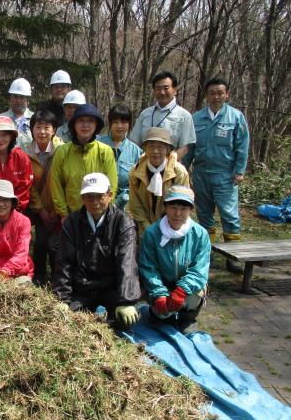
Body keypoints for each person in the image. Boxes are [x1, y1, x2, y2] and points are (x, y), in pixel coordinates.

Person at [53, 173, 141, 330]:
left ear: (110, 195)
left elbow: (127, 263)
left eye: (99, 196)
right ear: (82, 198)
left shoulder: (124, 223)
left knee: (126, 321)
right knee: (64, 322)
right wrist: (62, 299)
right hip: (82, 288)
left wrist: (126, 300)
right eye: (89, 197)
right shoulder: (72, 222)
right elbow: (63, 262)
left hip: (112, 288)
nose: (94, 202)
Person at [182, 77, 250, 273]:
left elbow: (242, 146)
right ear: (206, 95)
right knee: (204, 215)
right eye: (212, 93)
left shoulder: (235, 117)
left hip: (225, 175)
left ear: (226, 94)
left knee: (229, 215)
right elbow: (190, 147)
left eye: (220, 93)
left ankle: (233, 256)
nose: (216, 97)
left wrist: (239, 171)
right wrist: (183, 170)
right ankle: (207, 251)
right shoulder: (197, 118)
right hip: (201, 174)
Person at [138, 186, 210, 331]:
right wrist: (159, 294)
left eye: (183, 209)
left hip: (186, 289)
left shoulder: (200, 234)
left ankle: (186, 317)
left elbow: (199, 269)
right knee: (162, 315)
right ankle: (160, 313)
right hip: (162, 284)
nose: (177, 214)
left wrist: (181, 291)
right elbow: (148, 268)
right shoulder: (151, 233)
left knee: (195, 296)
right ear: (165, 207)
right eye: (173, 207)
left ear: (191, 210)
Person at [49, 104, 117, 222]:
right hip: (71, 216)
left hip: (100, 214)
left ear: (96, 125)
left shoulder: (105, 151)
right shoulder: (63, 151)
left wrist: (105, 209)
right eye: (81, 121)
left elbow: (112, 185)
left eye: (90, 121)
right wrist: (63, 213)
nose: (85, 125)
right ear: (74, 124)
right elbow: (56, 184)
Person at [18, 110, 64, 285]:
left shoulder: (62, 150)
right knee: (40, 241)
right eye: (38, 127)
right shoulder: (25, 153)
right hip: (37, 206)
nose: (42, 131)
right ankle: (38, 276)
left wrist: (57, 209)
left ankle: (57, 278)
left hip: (58, 206)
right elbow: (27, 183)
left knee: (56, 244)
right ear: (31, 129)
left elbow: (63, 181)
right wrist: (42, 210)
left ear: (54, 130)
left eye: (47, 127)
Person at [128, 127, 190, 236]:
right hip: (144, 229)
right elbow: (135, 205)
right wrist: (148, 228)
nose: (155, 151)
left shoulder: (178, 172)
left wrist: (163, 227)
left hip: (173, 225)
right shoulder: (136, 172)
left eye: (160, 147)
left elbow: (182, 204)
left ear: (167, 150)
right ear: (145, 149)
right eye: (151, 147)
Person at [129, 71, 196, 159]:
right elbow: (134, 143)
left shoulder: (184, 116)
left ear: (175, 90)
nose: (162, 92)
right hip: (144, 167)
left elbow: (185, 148)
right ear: (154, 90)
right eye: (158, 88)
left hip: (170, 169)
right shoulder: (145, 114)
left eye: (166, 88)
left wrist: (166, 165)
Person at [97, 105, 142, 211]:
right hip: (97, 202)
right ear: (109, 123)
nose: (119, 126)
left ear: (130, 124)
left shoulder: (136, 151)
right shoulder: (97, 143)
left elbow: (137, 183)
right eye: (115, 122)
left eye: (124, 122)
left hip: (123, 207)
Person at [0, 78, 34, 144]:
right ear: (10, 99)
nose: (18, 100)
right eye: (15, 96)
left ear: (28, 100)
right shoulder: (0, 119)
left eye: (22, 97)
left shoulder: (36, 119)